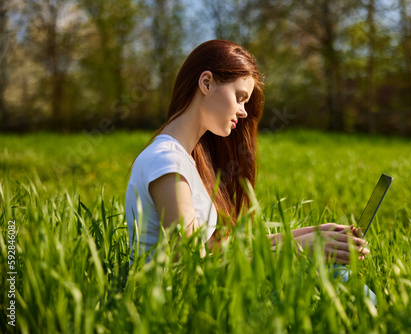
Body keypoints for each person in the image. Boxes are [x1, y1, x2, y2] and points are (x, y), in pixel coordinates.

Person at [124, 39, 369, 266]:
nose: (243, 112)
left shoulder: (184, 161)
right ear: (206, 83)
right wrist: (297, 248)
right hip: (174, 309)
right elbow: (192, 270)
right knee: (334, 275)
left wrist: (313, 234)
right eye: (240, 97)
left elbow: (220, 250)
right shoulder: (166, 161)